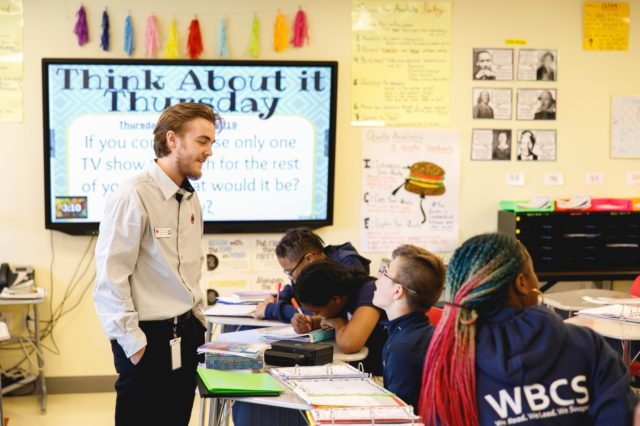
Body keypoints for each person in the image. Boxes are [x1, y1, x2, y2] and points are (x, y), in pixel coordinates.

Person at [419, 233, 637, 426]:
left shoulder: (449, 361)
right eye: (533, 273)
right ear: (522, 283)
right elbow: (621, 416)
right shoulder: (586, 344)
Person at [94, 102, 221, 426]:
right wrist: (134, 346)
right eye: (202, 141)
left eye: (211, 143)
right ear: (172, 140)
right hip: (146, 340)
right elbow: (111, 279)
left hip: (185, 334)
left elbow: (189, 271)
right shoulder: (132, 195)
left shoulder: (190, 198)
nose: (209, 151)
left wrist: (199, 326)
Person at [372, 245, 445, 412]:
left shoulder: (403, 349)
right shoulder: (410, 333)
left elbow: (402, 418)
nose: (377, 278)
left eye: (384, 272)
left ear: (397, 291)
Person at [253, 227, 370, 322]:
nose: (291, 278)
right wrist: (277, 298)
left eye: (290, 271)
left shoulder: (348, 265)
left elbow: (329, 311)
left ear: (309, 259)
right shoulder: (318, 266)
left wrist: (273, 310)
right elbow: (295, 288)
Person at [293, 259, 387, 375]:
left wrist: (338, 323)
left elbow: (349, 344)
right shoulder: (342, 293)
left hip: (382, 377)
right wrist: (310, 322)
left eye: (317, 311)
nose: (317, 315)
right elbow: (335, 317)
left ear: (335, 300)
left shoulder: (369, 292)